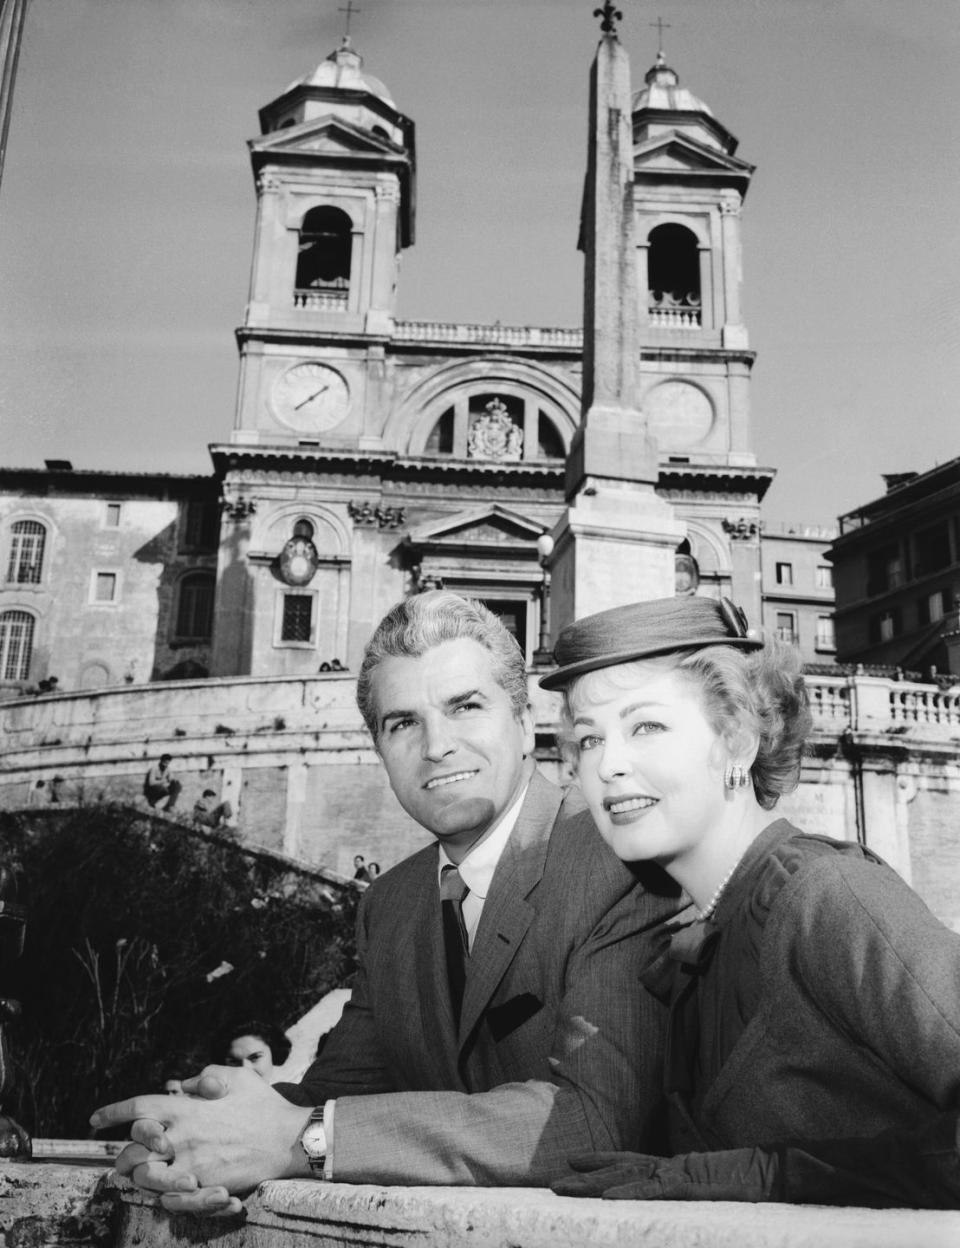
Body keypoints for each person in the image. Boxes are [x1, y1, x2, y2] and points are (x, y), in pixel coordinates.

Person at [90, 590, 679, 1212]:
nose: (436, 746)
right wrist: (199, 1133)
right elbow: (342, 1088)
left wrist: (309, 1141)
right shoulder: (391, 905)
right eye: (403, 723)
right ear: (379, 751)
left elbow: (595, 1122)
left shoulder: (620, 858)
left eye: (466, 706)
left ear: (528, 721)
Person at [534, 596, 960, 1209]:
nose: (609, 765)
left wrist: (772, 1175)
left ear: (736, 739)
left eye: (645, 726)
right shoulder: (694, 949)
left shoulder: (828, 899)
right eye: (589, 740)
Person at [218, 1021, 292, 1084]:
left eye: (255, 1057)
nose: (246, 1069)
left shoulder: (290, 1093)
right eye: (234, 1062)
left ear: (273, 1053)